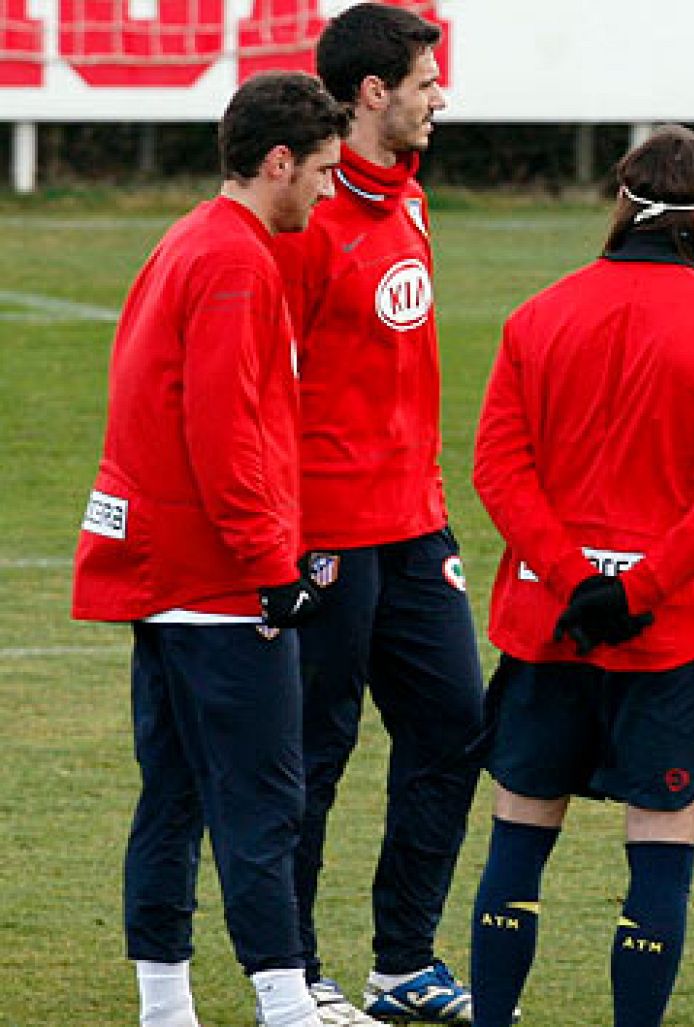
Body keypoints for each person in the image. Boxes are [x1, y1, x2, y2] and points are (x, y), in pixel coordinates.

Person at [467, 124, 694, 1027]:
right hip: (670, 636)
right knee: (660, 854)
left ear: (621, 202)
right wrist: (633, 592)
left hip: (546, 623)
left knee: (517, 843)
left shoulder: (539, 315)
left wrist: (572, 580)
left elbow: (498, 468)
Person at [70, 71, 346, 1027]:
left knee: (174, 798)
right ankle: (285, 1003)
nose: (326, 189)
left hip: (163, 576)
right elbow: (228, 434)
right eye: (320, 170)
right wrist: (273, 566)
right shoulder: (235, 262)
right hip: (218, 582)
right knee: (265, 801)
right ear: (279, 162)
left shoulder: (184, 240)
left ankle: (166, 1005)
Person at [269, 5, 483, 1023]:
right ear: (371, 94)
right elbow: (263, 391)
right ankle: (296, 974)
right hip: (325, 534)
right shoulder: (303, 222)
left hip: (415, 525)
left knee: (453, 724)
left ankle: (402, 962)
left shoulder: (413, 202)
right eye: (424, 82)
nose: (439, 96)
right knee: (315, 750)